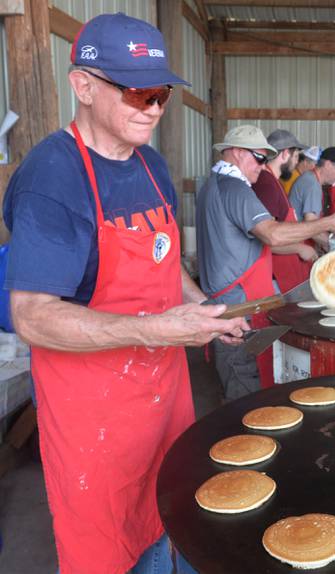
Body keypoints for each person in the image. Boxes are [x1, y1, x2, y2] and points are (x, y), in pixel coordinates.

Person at [2, 13, 250, 574]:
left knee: (175, 515)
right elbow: (33, 316)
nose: (152, 109)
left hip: (165, 395)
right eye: (136, 92)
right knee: (109, 546)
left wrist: (204, 308)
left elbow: (165, 271)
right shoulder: (53, 179)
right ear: (83, 85)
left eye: (160, 93)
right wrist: (152, 329)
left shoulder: (153, 164)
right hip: (96, 417)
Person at [196, 125, 335, 400]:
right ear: (235, 152)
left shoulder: (212, 184)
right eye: (259, 158)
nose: (263, 166)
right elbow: (272, 233)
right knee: (243, 388)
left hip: (229, 301)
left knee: (238, 378)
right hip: (238, 306)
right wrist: (329, 222)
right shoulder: (235, 188)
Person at [252, 129, 317, 293]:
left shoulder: (273, 181)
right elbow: (265, 238)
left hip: (284, 275)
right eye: (295, 157)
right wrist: (300, 248)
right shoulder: (265, 184)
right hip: (274, 277)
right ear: (285, 154)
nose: (296, 163)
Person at [289, 146, 335, 250]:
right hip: (298, 247)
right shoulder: (312, 184)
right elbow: (311, 226)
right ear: (328, 164)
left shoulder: (311, 179)